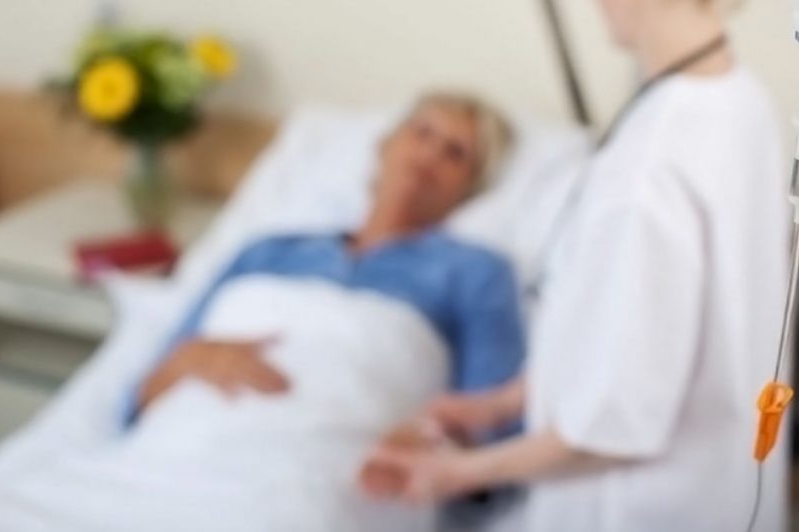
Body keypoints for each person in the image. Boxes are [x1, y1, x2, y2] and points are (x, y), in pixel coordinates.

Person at [360, 1, 790, 531]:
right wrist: (502, 404)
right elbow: (642, 337)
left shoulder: (645, 176)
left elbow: (608, 433)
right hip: (724, 494)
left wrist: (453, 474)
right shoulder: (739, 98)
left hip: (631, 511)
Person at [128, 91, 525, 422]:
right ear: (384, 145)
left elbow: (491, 429)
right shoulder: (266, 251)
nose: (429, 154)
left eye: (455, 153)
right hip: (183, 445)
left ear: (471, 188)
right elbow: (136, 402)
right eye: (422, 132)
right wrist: (187, 362)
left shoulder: (476, 272)